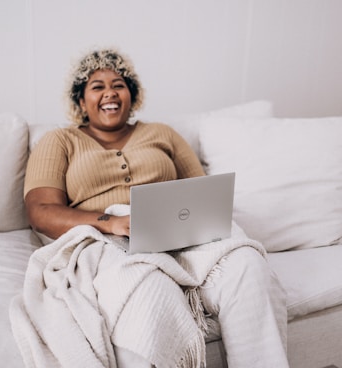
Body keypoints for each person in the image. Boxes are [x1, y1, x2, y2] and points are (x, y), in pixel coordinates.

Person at [23, 48, 289, 368]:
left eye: (118, 84)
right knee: (151, 289)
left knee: (247, 265)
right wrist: (110, 222)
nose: (109, 92)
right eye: (97, 86)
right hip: (105, 237)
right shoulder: (59, 141)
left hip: (178, 229)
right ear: (81, 101)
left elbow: (201, 192)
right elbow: (41, 211)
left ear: (132, 96)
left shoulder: (162, 133)